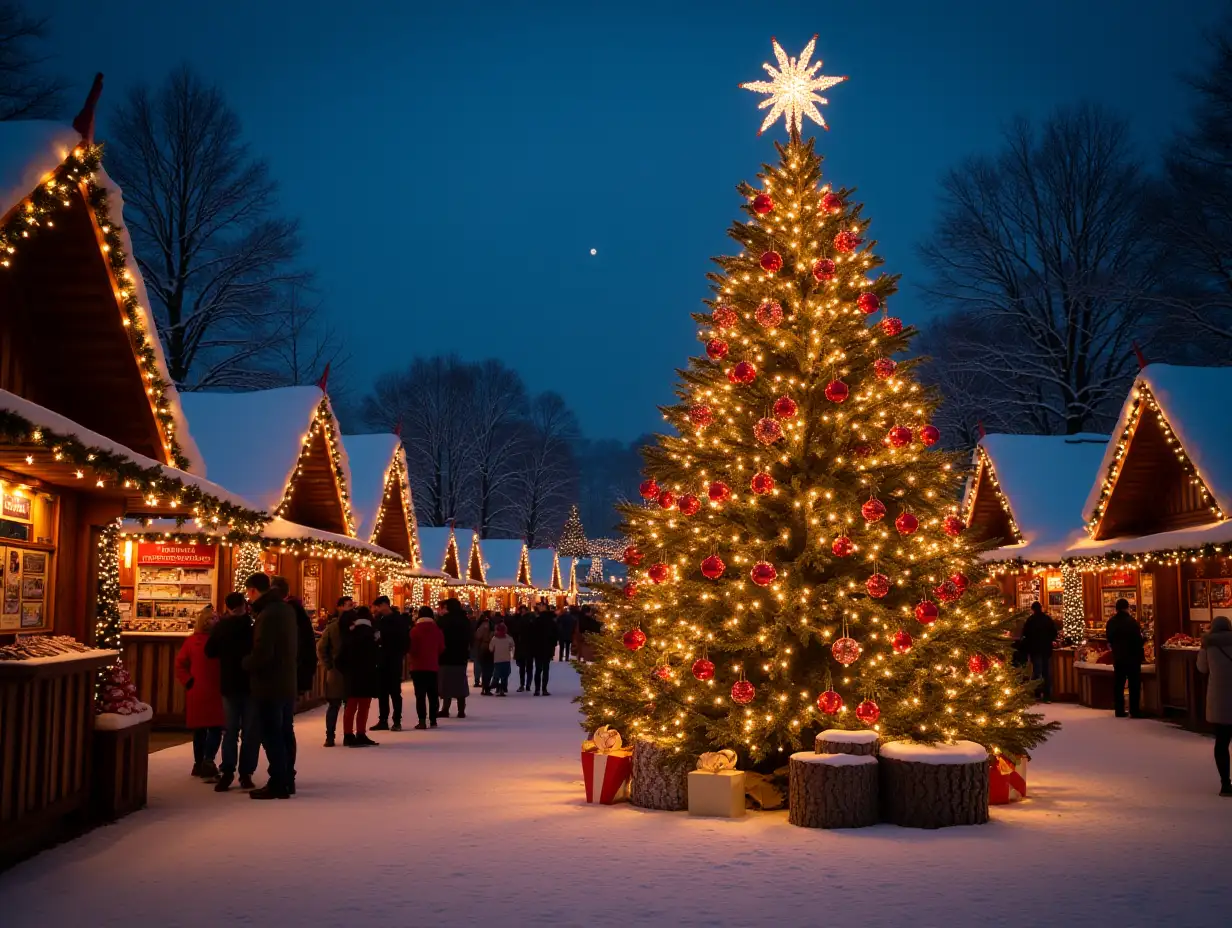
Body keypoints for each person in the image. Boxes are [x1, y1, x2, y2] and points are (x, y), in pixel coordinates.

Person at [241, 572, 298, 800]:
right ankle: (285, 779)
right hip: (285, 681)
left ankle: (278, 781)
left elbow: (263, 652)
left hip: (270, 683)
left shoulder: (268, 613)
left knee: (271, 733)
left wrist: (246, 663)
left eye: (248, 592)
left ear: (254, 590)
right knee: (283, 732)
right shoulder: (285, 610)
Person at [206, 592, 260, 791]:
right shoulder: (253, 626)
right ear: (245, 606)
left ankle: (228, 770)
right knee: (250, 731)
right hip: (251, 682)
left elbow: (210, 651)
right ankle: (246, 773)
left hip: (229, 682)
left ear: (227, 607)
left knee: (229, 731)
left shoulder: (222, 627)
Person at [174, 605, 225, 779]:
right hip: (201, 689)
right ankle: (203, 762)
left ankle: (205, 761)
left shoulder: (215, 640)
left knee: (213, 727)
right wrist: (188, 681)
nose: (214, 621)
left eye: (215, 618)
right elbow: (180, 664)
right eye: (210, 619)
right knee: (203, 729)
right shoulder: (193, 642)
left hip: (213, 689)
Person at [1196, 615, 1232, 796]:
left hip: (1219, 698)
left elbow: (1202, 668)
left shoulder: (1208, 645)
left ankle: (1226, 783)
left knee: (1222, 742)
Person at [337, 606, 381, 746]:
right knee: (364, 706)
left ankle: (348, 734)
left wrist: (346, 671)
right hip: (367, 674)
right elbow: (378, 655)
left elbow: (340, 658)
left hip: (352, 675)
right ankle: (361, 733)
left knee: (350, 706)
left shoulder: (350, 634)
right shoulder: (373, 634)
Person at [371, 596, 410, 731]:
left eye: (377, 606)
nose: (376, 609)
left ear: (384, 605)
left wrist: (384, 641)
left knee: (394, 692)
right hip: (382, 659)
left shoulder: (397, 620)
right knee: (382, 692)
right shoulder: (379, 620)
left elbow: (402, 639)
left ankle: (396, 720)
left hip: (393, 659)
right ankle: (383, 720)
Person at [315, 601, 350, 747]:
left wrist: (328, 664)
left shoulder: (331, 628)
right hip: (349, 672)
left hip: (335, 671)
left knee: (334, 706)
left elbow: (321, 647)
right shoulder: (353, 629)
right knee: (349, 707)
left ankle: (330, 736)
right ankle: (348, 735)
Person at [1105, 598, 1146, 719]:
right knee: (1134, 684)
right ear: (1127, 608)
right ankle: (1134, 710)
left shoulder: (1111, 622)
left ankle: (1119, 709)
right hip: (1132, 657)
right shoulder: (1132, 622)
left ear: (1116, 608)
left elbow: (1109, 638)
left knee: (1119, 684)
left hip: (1118, 656)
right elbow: (1138, 640)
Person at [409, 605, 445, 728]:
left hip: (417, 666)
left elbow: (412, 648)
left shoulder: (414, 631)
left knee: (420, 695)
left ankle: (422, 720)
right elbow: (441, 648)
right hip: (432, 665)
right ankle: (433, 719)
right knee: (433, 694)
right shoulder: (437, 631)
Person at [437, 597, 472, 718]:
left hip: (446, 655)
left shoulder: (444, 620)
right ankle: (461, 709)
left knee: (445, 683)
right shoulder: (464, 620)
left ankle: (445, 708)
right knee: (460, 682)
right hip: (461, 656)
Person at [1020, 602, 1058, 703]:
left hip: (1035, 649)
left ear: (1033, 609)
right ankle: (1047, 695)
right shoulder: (1047, 619)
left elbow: (1025, 634)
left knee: (1037, 671)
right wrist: (1049, 640)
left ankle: (1036, 693)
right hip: (1046, 649)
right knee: (1046, 672)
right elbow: (1054, 632)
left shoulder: (1030, 620)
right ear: (1041, 608)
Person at [531, 601, 558, 696]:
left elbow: (532, 635)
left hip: (538, 648)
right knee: (546, 669)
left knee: (538, 669)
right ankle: (544, 689)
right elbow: (555, 635)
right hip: (547, 648)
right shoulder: (552, 621)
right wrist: (553, 646)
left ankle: (537, 689)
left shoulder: (537, 621)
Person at [509, 606, 534, 692]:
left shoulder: (519, 621)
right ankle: (525, 684)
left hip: (523, 647)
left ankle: (524, 684)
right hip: (526, 647)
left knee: (524, 667)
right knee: (525, 667)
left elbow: (514, 631)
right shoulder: (531, 620)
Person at [489, 621, 514, 696]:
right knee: (505, 675)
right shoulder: (508, 638)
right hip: (506, 659)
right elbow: (512, 645)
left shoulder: (494, 638)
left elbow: (490, 649)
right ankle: (503, 688)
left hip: (497, 659)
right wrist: (508, 648)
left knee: (497, 674)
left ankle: (496, 686)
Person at [474, 612, 494, 695]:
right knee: (489, 668)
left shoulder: (482, 626)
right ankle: (487, 686)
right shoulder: (492, 625)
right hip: (491, 648)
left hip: (483, 647)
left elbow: (478, 636)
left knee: (484, 667)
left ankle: (484, 686)